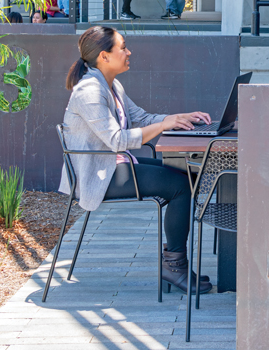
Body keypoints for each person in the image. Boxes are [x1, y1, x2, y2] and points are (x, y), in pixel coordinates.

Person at [61, 25, 213, 294]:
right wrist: (164, 126)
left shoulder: (112, 85)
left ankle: (174, 262)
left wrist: (178, 118)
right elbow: (117, 140)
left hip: (115, 165)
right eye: (123, 48)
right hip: (98, 176)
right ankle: (174, 267)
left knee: (186, 175)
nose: (129, 52)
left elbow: (141, 118)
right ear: (104, 56)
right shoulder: (89, 92)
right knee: (180, 186)